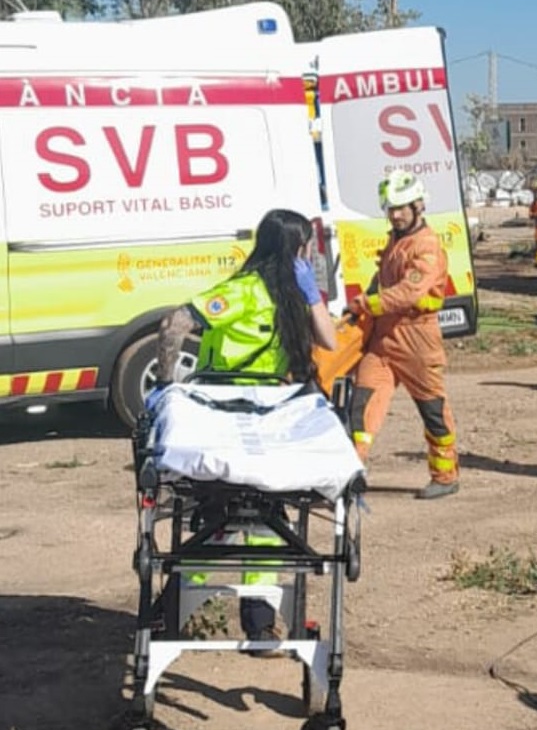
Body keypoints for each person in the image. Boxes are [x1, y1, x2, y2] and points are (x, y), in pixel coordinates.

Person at [156, 208, 337, 648]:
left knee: (219, 519)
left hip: (224, 420)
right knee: (268, 520)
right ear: (296, 248)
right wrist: (310, 295)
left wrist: (165, 385)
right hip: (268, 424)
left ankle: (173, 609)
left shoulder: (249, 291)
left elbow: (174, 325)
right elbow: (329, 340)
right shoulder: (277, 297)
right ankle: (258, 624)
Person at [348, 170, 460, 500]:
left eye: (401, 208)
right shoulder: (397, 240)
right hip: (383, 341)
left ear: (418, 205)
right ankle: (349, 471)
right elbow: (383, 279)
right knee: (361, 407)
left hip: (417, 340)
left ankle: (445, 476)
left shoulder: (425, 247)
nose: (395, 214)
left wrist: (367, 303)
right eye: (390, 208)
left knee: (433, 410)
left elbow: (407, 293)